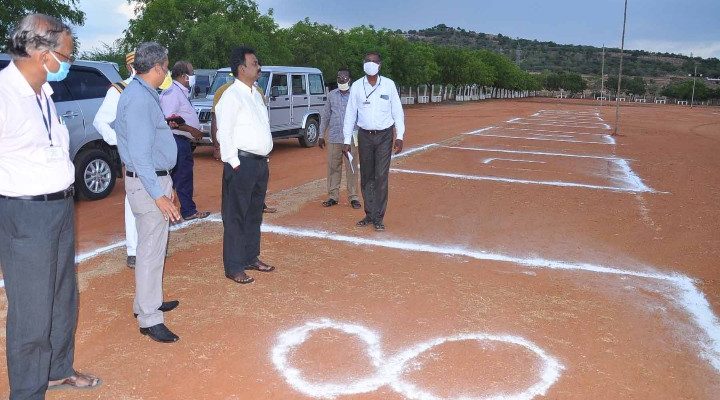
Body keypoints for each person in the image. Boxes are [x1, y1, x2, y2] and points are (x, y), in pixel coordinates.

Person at [0, 14, 101, 398]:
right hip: (26, 215)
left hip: (59, 208)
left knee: (62, 297)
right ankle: (27, 391)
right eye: (67, 55)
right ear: (42, 54)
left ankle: (58, 369)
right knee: (31, 309)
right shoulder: (4, 95)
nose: (69, 63)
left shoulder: (43, 92)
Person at [115, 42, 182, 343]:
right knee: (151, 250)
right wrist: (158, 194)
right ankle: (149, 317)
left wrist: (167, 185)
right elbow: (141, 155)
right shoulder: (140, 99)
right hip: (148, 184)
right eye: (166, 67)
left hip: (153, 180)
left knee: (151, 248)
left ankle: (146, 301)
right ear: (156, 67)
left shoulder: (140, 94)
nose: (167, 72)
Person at [216, 46, 276, 284]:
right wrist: (233, 162)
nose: (258, 67)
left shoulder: (256, 94)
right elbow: (224, 131)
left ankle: (251, 257)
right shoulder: (231, 95)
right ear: (242, 69)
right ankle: (233, 266)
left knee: (254, 214)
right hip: (241, 164)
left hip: (259, 164)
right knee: (235, 216)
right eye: (254, 63)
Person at [342, 51, 405, 231]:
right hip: (364, 136)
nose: (370, 63)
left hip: (385, 136)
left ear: (380, 65)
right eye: (367, 61)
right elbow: (350, 114)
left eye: (374, 61)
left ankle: (378, 217)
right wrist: (346, 139)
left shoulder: (389, 85)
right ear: (363, 64)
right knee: (366, 175)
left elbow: (397, 112)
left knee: (381, 176)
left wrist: (399, 136)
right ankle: (369, 214)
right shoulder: (356, 86)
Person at [93, 50, 140, 268]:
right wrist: (120, 141)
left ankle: (149, 246)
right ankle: (133, 250)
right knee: (133, 198)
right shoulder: (119, 90)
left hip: (154, 152)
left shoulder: (154, 88)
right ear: (131, 67)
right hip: (132, 152)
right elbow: (100, 121)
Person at [211, 76, 278, 214]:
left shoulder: (258, 92)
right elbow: (216, 120)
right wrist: (217, 146)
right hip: (238, 152)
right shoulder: (225, 91)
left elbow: (262, 121)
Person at [159, 60, 210, 221]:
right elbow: (170, 119)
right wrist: (192, 130)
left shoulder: (180, 91)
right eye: (191, 73)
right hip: (176, 140)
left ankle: (183, 210)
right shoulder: (172, 92)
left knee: (181, 176)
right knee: (181, 176)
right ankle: (187, 211)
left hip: (181, 140)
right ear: (183, 76)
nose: (193, 76)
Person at [319, 68, 361, 209]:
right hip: (334, 137)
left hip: (351, 139)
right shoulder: (331, 95)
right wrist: (321, 135)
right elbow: (326, 115)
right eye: (339, 77)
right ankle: (333, 196)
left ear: (350, 79)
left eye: (344, 77)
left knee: (351, 168)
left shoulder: (355, 95)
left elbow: (361, 116)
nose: (341, 79)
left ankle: (353, 197)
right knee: (333, 167)